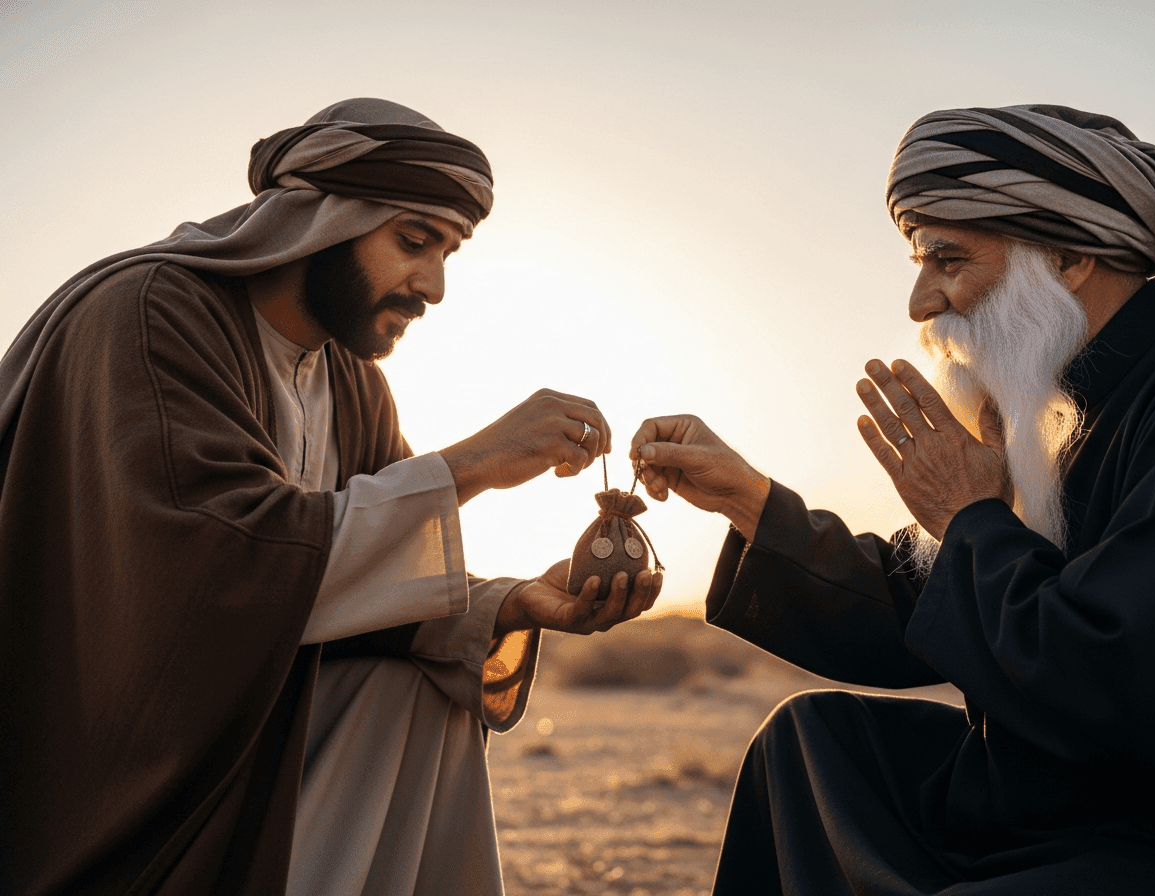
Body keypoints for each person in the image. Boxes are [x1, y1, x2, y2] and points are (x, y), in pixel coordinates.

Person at [0, 98, 661, 895]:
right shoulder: (148, 313)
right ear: (316, 219)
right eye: (414, 241)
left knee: (421, 687)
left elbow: (367, 578)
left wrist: (516, 604)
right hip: (102, 767)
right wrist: (479, 461)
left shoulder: (352, 382)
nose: (436, 285)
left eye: (448, 252)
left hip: (242, 735)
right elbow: (215, 569)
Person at [630, 105, 1155, 894]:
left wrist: (971, 519)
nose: (920, 302)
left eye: (947, 259)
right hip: (1055, 799)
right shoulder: (1066, 407)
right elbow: (946, 603)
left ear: (1070, 254)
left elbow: (1132, 686)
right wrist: (754, 505)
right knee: (812, 742)